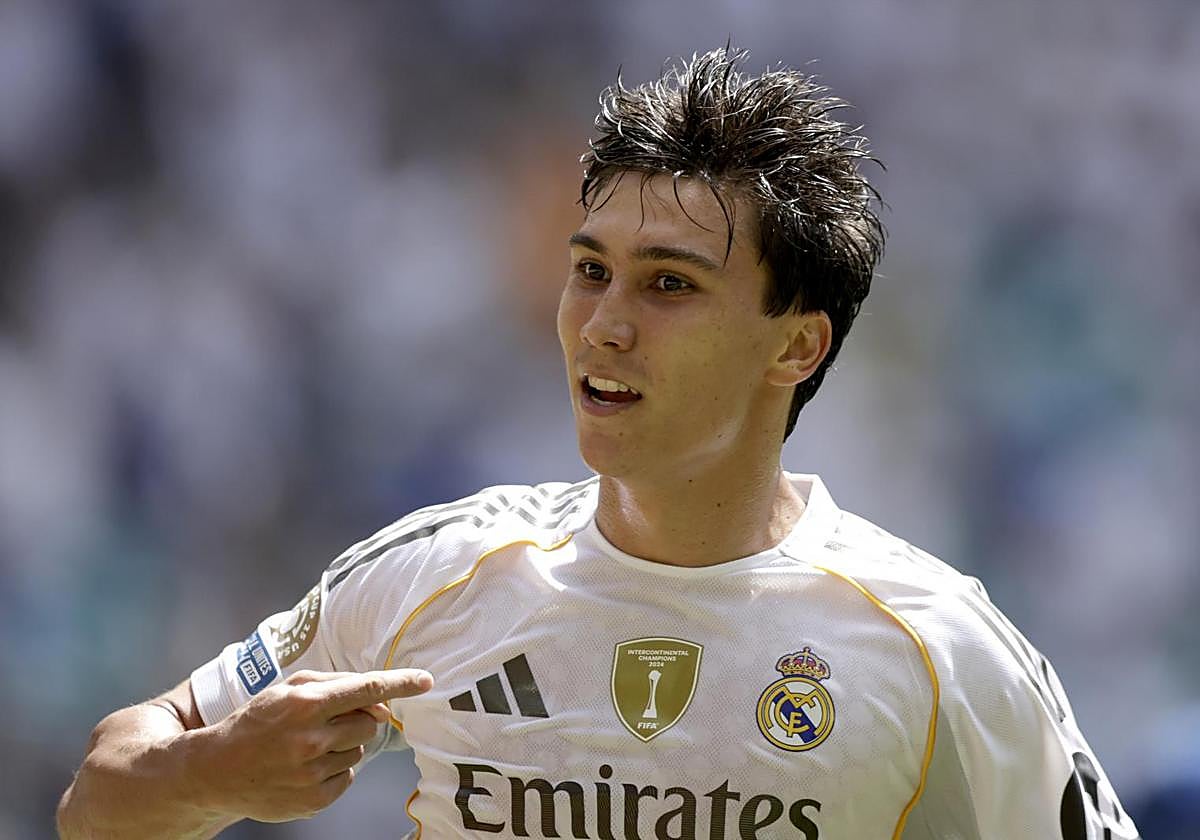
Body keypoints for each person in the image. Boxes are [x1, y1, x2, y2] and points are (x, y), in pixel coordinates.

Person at [58, 48, 1139, 840]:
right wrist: (213, 772)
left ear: (796, 344)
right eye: (590, 271)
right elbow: (97, 800)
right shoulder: (438, 577)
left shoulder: (934, 646)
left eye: (669, 284)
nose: (604, 324)